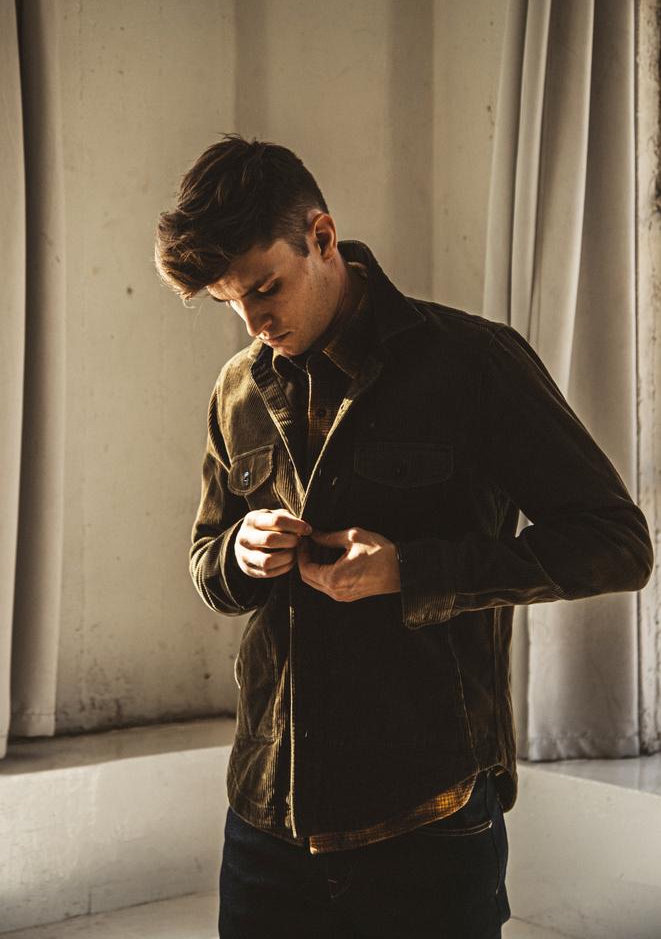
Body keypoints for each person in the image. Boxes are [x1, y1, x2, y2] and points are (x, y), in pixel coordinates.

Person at [155, 134, 654, 939]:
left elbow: (616, 544)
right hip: (264, 821)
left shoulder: (472, 362)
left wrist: (411, 571)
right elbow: (205, 561)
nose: (253, 321)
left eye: (266, 287)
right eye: (229, 302)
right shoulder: (236, 389)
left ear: (322, 236)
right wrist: (238, 552)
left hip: (427, 817)